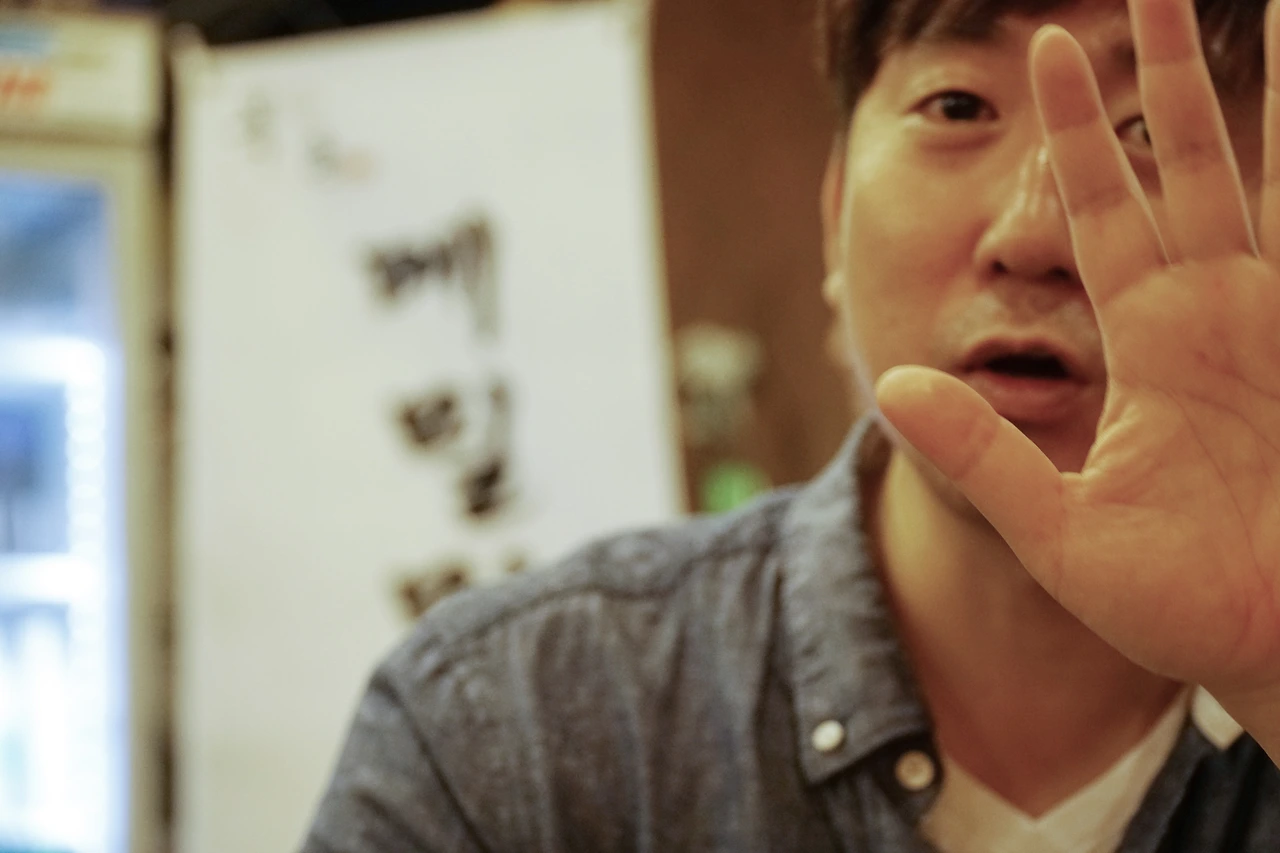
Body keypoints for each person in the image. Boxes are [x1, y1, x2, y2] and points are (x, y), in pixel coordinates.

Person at [300, 0, 1280, 849]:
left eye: (1143, 128)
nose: (1030, 233)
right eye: (955, 107)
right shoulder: (509, 725)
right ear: (832, 214)